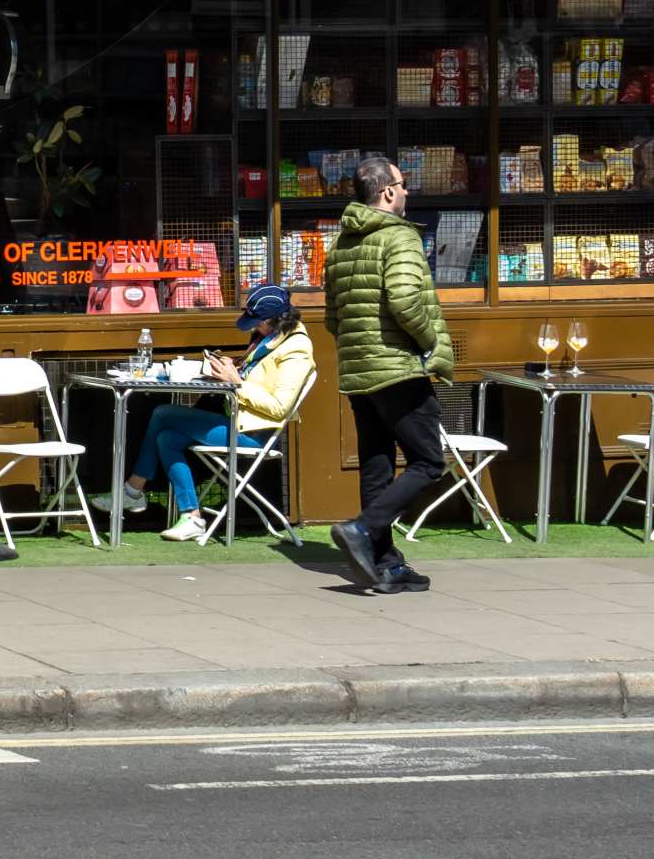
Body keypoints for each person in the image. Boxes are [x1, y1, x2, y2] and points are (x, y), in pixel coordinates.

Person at [324, 157, 452, 594]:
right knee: (429, 461)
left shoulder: (341, 242)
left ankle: (384, 564)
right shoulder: (399, 237)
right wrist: (428, 339)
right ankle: (363, 530)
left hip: (358, 370)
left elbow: (333, 317)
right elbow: (402, 299)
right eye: (404, 184)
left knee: (376, 466)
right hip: (398, 366)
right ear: (388, 192)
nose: (409, 192)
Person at [120, 283, 315, 543]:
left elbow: (280, 406)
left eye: (258, 322)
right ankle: (192, 517)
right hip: (235, 419)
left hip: (254, 433)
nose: (255, 327)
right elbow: (254, 375)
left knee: (163, 413)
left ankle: (132, 491)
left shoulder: (296, 349)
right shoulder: (269, 338)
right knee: (166, 438)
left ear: (275, 320)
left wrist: (235, 382)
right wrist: (231, 367)